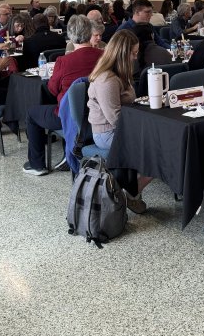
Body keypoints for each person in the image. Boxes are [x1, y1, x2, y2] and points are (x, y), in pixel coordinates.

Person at [24, 15, 104, 175]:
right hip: (98, 114)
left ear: (71, 36)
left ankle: (37, 165)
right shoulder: (104, 56)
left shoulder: (64, 61)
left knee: (32, 114)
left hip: (70, 116)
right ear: (90, 33)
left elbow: (53, 90)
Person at [86, 30, 149, 212]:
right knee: (155, 149)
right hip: (107, 132)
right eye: (133, 53)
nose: (135, 57)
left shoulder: (120, 73)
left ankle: (130, 192)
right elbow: (115, 118)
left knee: (160, 144)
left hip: (121, 128)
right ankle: (129, 193)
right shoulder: (107, 80)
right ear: (122, 53)